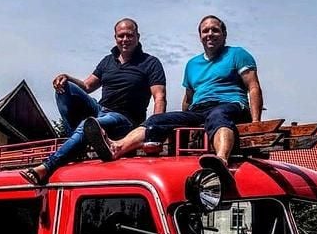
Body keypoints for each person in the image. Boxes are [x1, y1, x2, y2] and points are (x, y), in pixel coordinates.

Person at [83, 15, 263, 177]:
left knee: (218, 116)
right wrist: (183, 118)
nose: (210, 34)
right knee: (157, 120)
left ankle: (221, 160)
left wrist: (256, 123)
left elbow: (253, 87)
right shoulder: (193, 64)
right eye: (205, 31)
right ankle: (116, 147)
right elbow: (188, 99)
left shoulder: (237, 54)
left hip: (230, 104)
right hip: (199, 110)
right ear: (199, 36)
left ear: (224, 34)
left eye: (215, 30)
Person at [20, 18, 166, 185]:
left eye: (129, 35)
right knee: (65, 88)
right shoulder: (107, 61)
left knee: (90, 124)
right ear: (115, 38)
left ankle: (47, 166)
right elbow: (87, 86)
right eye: (121, 36)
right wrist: (67, 78)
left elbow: (159, 97)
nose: (125, 39)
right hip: (101, 109)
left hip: (125, 119)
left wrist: (154, 133)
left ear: (138, 37)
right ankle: (76, 141)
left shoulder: (150, 63)